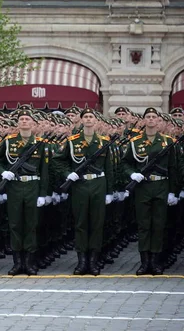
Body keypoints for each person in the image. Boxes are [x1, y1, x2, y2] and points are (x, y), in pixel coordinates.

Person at [53, 108, 114, 276]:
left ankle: (93, 261)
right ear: (81, 120)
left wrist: (109, 191)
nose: (88, 119)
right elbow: (58, 161)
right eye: (85, 116)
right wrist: (68, 174)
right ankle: (81, 262)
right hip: (79, 185)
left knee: (96, 223)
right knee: (80, 223)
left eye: (91, 116)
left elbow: (109, 168)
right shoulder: (72, 141)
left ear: (96, 121)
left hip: (98, 183)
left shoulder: (103, 141)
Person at [0, 110, 49, 276]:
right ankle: (17, 263)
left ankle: (29, 262)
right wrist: (3, 172)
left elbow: (44, 171)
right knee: (15, 224)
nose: (24, 121)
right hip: (14, 187)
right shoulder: (9, 142)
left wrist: (43, 194)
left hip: (32, 187)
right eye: (21, 119)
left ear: (33, 124)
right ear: (18, 123)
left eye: (27, 119)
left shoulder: (40, 143)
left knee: (31, 225)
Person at [122, 107, 179, 276]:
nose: (152, 119)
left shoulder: (168, 142)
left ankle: (155, 262)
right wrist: (132, 174)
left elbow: (173, 168)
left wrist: (172, 192)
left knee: (159, 225)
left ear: (158, 121)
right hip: (143, 187)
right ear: (144, 120)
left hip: (161, 187)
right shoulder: (135, 142)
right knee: (144, 225)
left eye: (154, 117)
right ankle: (144, 262)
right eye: (148, 117)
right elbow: (125, 163)